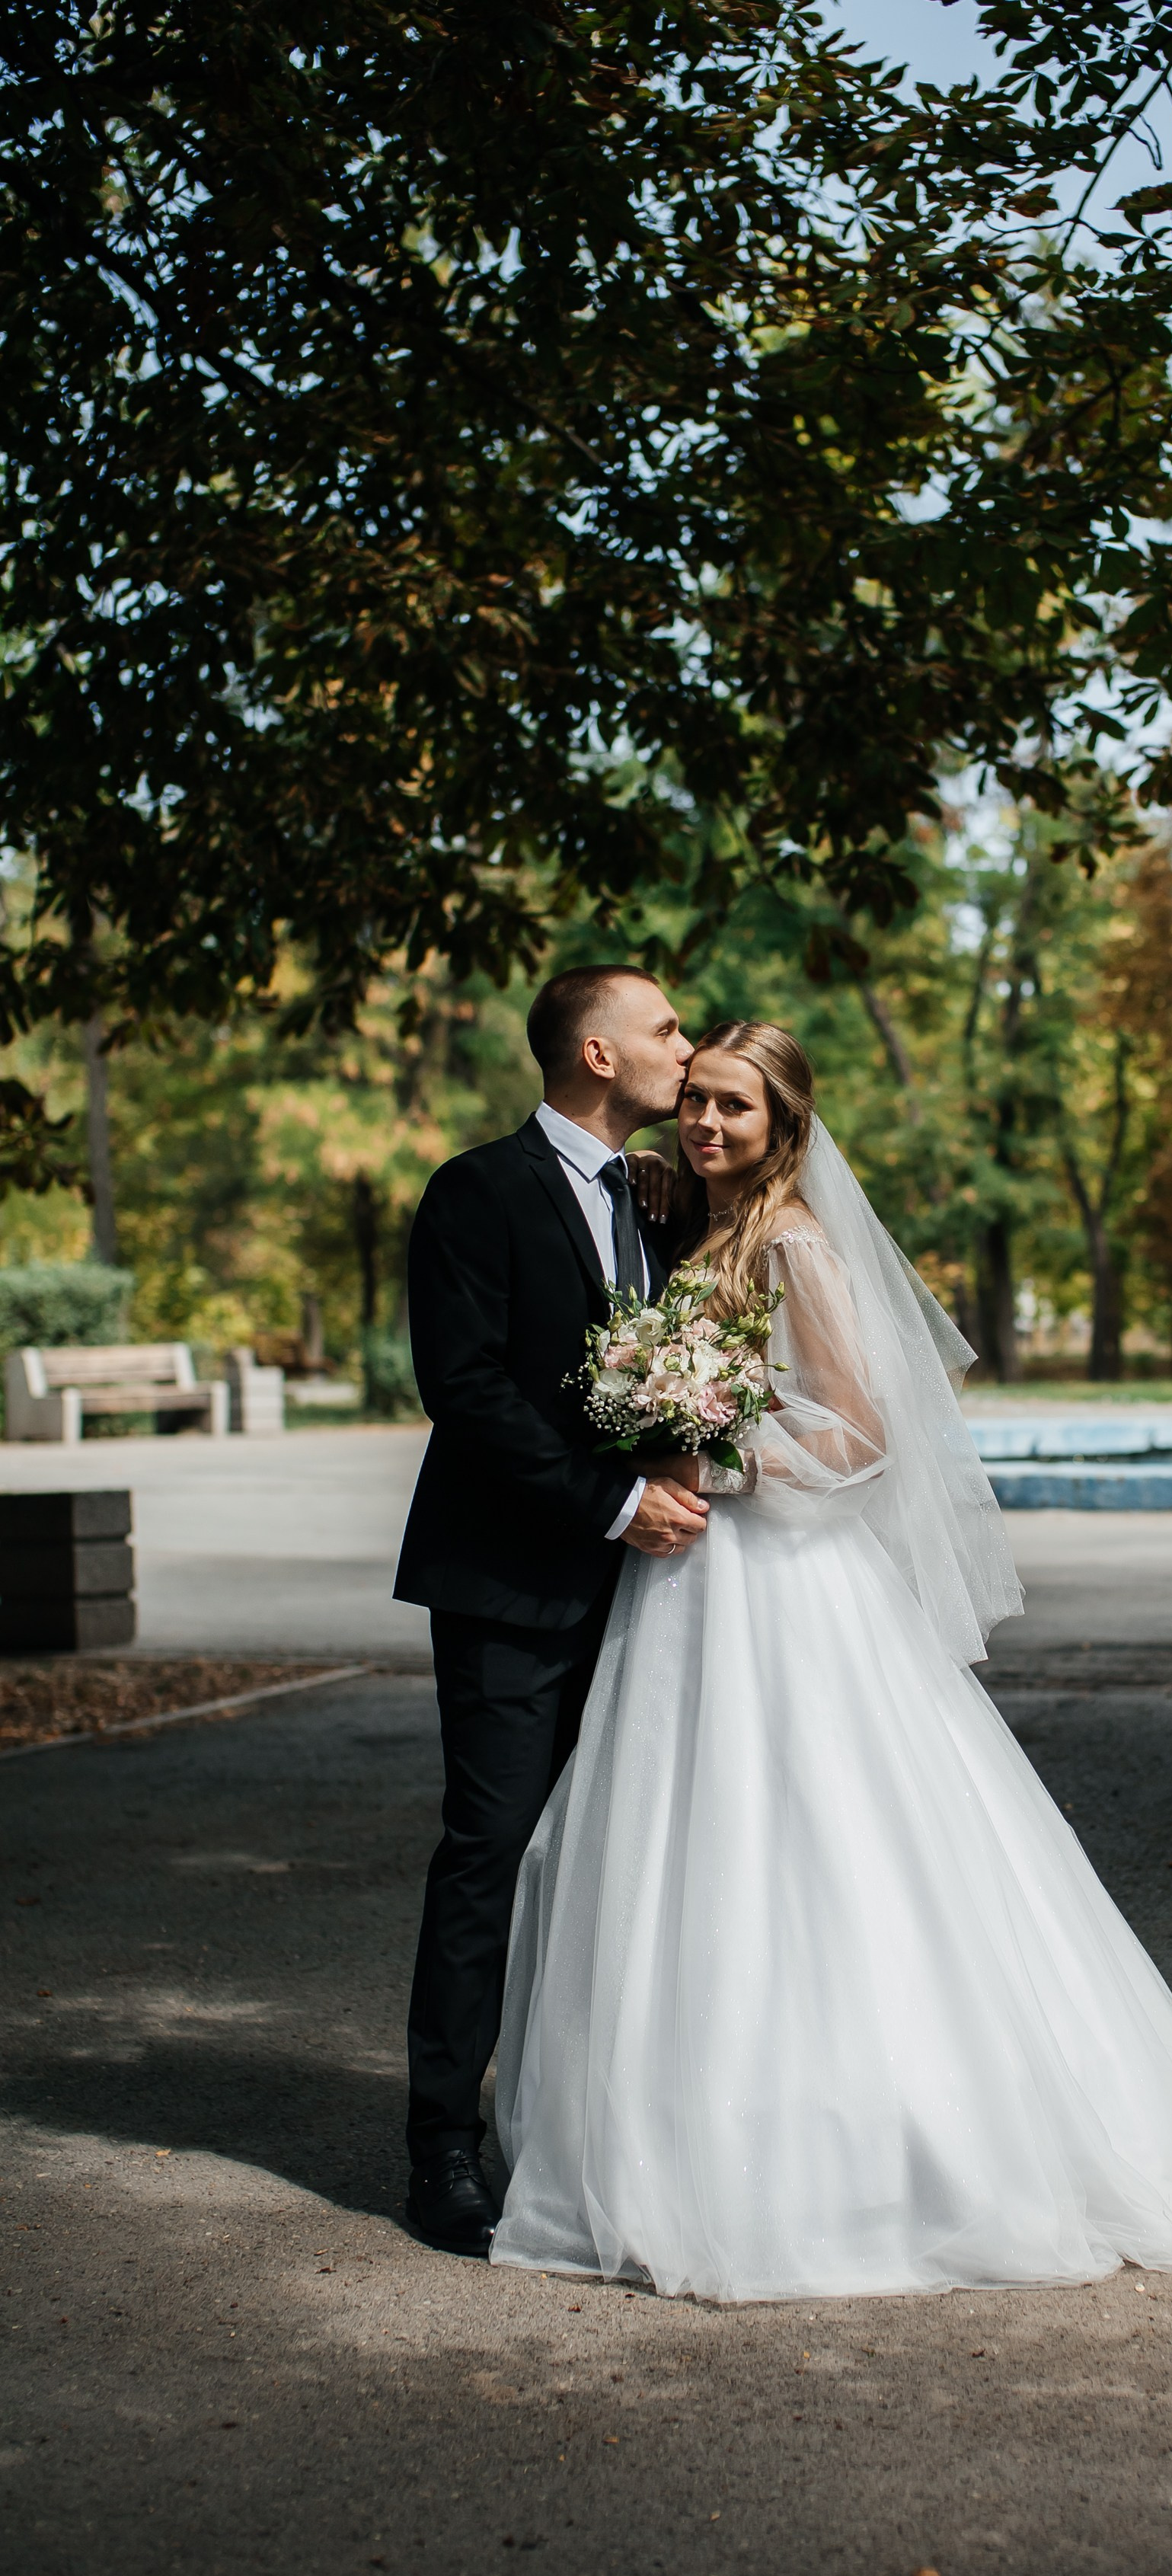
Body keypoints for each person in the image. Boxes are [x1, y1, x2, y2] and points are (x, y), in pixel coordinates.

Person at [488, 1022, 1172, 2300]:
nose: (707, 1124)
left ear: (787, 1126)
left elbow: (863, 1434)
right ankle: (684, 2132)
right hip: (685, 1589)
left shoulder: (796, 1244)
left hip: (782, 1578)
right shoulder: (686, 1218)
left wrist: (723, 1449)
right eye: (697, 1102)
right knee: (689, 1844)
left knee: (829, 1843)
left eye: (736, 1108)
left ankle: (883, 2146)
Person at [394, 965, 710, 2256]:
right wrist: (610, 1504)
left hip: (655, 1598)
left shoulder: (658, 1199)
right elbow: (465, 1391)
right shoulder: (477, 1191)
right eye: (667, 1030)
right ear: (596, 1051)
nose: (685, 1051)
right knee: (489, 1854)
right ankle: (440, 2150)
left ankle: (585, 2129)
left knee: (627, 1863)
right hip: (513, 1584)